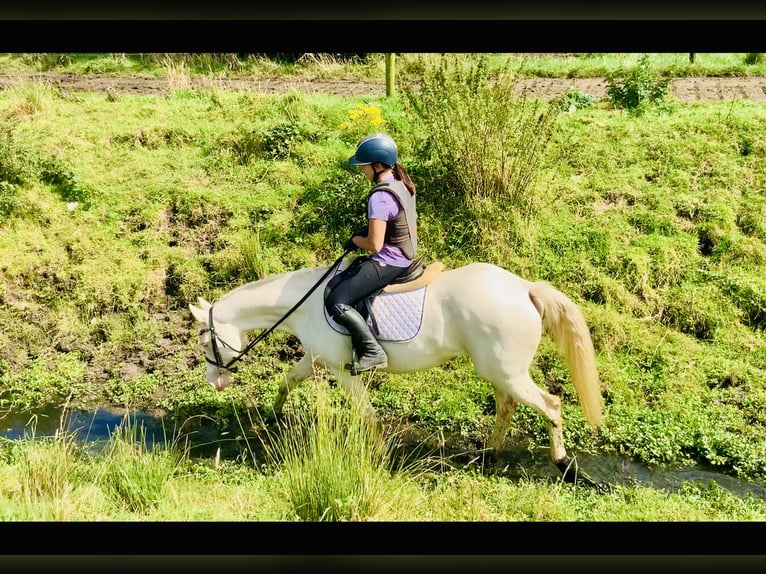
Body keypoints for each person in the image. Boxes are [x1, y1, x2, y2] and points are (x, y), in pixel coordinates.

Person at [324, 133, 418, 374]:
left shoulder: (380, 196)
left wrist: (356, 239)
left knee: (336, 300)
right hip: (404, 254)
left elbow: (375, 244)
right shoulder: (400, 183)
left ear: (377, 166)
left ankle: (372, 351)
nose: (362, 171)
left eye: (364, 166)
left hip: (390, 260)